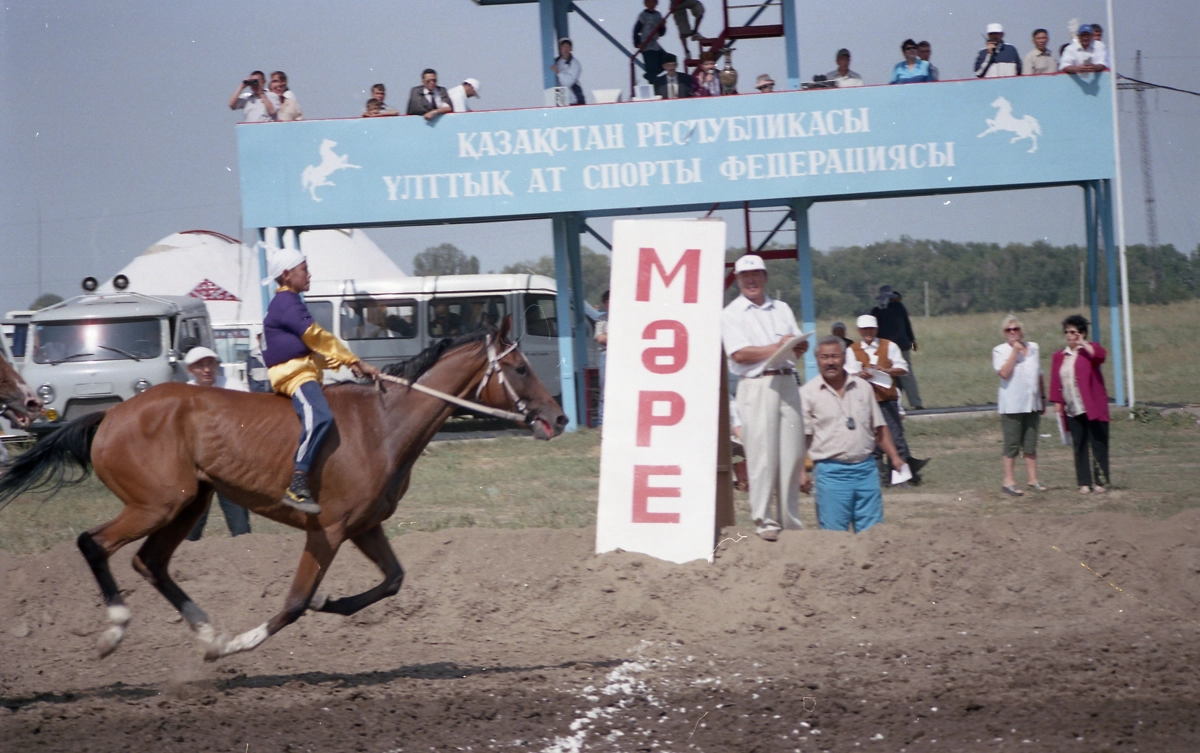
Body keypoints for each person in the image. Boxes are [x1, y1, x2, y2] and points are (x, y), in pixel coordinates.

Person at [262, 247, 380, 514]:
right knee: (320, 416)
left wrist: (350, 365)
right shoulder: (286, 303)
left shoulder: (290, 302)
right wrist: (353, 360)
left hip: (303, 370)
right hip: (294, 377)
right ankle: (298, 482)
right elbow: (317, 337)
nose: (309, 274)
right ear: (286, 274)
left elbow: (311, 351)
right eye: (304, 269)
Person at [720, 254, 810, 542]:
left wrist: (797, 346)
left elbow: (796, 343)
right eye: (745, 276)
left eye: (756, 274)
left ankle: (789, 519)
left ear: (765, 276)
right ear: (737, 280)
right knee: (761, 455)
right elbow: (739, 353)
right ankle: (763, 519)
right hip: (756, 384)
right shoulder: (731, 313)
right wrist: (776, 346)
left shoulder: (781, 308)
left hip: (787, 381)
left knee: (792, 454)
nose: (751, 280)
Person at [800, 337, 907, 534]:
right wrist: (801, 471)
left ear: (844, 358)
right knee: (834, 536)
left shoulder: (863, 387)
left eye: (835, 356)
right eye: (824, 357)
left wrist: (895, 457)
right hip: (831, 473)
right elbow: (802, 438)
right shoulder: (807, 393)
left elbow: (880, 428)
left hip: (866, 470)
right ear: (817, 359)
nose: (830, 362)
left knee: (872, 535)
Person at [845, 315, 929, 485]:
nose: (868, 332)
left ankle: (901, 477)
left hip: (887, 399)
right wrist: (859, 374)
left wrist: (887, 370)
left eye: (871, 329)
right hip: (864, 400)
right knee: (872, 442)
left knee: (895, 438)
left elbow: (903, 368)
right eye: (864, 329)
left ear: (876, 329)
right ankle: (879, 478)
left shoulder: (889, 346)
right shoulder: (852, 350)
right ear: (858, 331)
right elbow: (847, 373)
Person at [182, 347, 252, 540]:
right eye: (200, 365)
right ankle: (188, 562)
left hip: (229, 465)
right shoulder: (185, 394)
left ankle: (246, 560)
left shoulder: (234, 387)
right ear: (190, 370)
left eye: (210, 364)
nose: (206, 369)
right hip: (198, 467)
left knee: (240, 527)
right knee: (191, 525)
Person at [1049, 315, 1111, 494]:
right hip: (1072, 407)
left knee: (1098, 443)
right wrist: (1057, 403)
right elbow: (1056, 381)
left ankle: (1100, 481)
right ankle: (1084, 482)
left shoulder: (1090, 351)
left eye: (1074, 332)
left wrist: (1083, 343)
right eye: (1067, 332)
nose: (1070, 336)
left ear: (1082, 333)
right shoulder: (1059, 356)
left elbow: (1100, 356)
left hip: (1092, 406)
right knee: (1080, 444)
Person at [992, 315, 1046, 496]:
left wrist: (1043, 397)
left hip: (1032, 402)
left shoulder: (1033, 348)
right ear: (1004, 333)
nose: (1013, 332)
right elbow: (1004, 373)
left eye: (1016, 329)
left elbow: (1039, 374)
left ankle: (1033, 479)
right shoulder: (999, 351)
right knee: (1012, 444)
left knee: (1030, 443)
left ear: (1021, 331)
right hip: (1012, 404)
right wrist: (1014, 352)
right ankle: (1009, 481)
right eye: (1009, 330)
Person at [870, 285, 923, 410]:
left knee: (890, 374)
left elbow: (873, 330)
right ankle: (915, 402)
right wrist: (912, 341)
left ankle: (892, 402)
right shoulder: (899, 308)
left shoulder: (876, 311)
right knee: (906, 374)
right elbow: (907, 325)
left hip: (886, 347)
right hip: (902, 345)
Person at [634, 0, 668, 86]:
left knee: (668, 59)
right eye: (648, 2)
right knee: (651, 66)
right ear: (645, 4)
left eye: (653, 2)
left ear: (656, 3)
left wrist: (663, 25)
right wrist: (638, 43)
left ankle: (649, 75)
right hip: (647, 44)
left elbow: (661, 33)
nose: (651, 4)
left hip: (655, 43)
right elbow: (636, 30)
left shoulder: (658, 15)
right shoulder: (643, 15)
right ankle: (652, 83)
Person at [552, 38, 585, 105]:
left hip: (574, 101)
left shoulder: (575, 64)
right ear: (560, 48)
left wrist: (558, 73)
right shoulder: (555, 62)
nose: (565, 49)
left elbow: (568, 82)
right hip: (560, 101)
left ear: (571, 49)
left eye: (568, 46)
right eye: (563, 46)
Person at [594, 290, 608, 426]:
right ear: (604, 304)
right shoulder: (601, 319)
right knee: (605, 390)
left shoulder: (627, 318)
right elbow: (600, 337)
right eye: (608, 301)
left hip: (624, 357)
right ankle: (601, 423)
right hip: (607, 355)